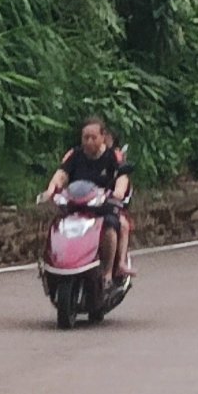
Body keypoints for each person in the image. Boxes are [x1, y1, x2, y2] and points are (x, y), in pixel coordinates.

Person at [41, 116, 133, 286]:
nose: (89, 141)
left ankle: (107, 274)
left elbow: (122, 177)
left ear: (103, 136)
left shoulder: (112, 157)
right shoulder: (75, 155)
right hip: (76, 206)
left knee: (110, 226)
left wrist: (118, 193)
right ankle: (52, 265)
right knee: (56, 225)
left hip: (102, 207)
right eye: (86, 137)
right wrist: (51, 189)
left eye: (93, 137)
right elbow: (61, 175)